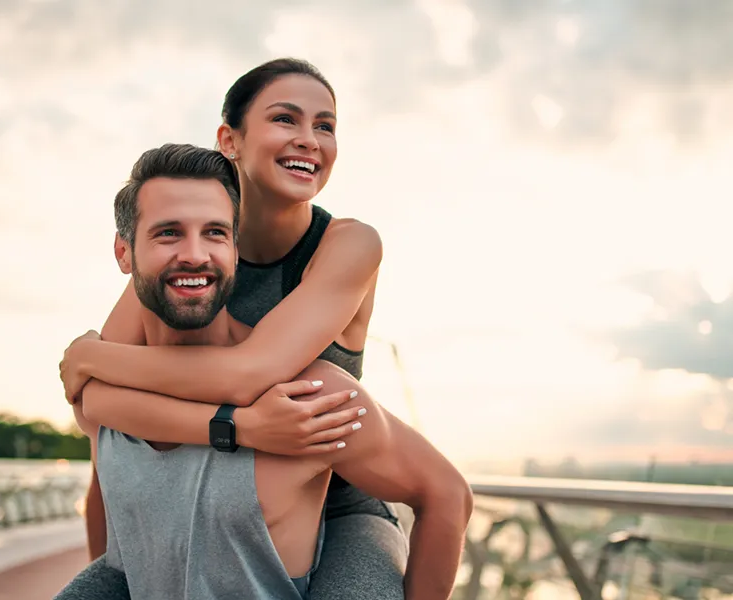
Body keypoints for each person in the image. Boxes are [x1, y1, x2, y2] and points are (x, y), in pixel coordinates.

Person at [59, 58, 473, 600]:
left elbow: (247, 372)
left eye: (324, 125)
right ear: (229, 139)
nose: (309, 140)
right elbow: (97, 410)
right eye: (286, 120)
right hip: (214, 480)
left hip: (341, 495)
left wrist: (88, 357)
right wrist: (236, 427)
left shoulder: (346, 246)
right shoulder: (183, 265)